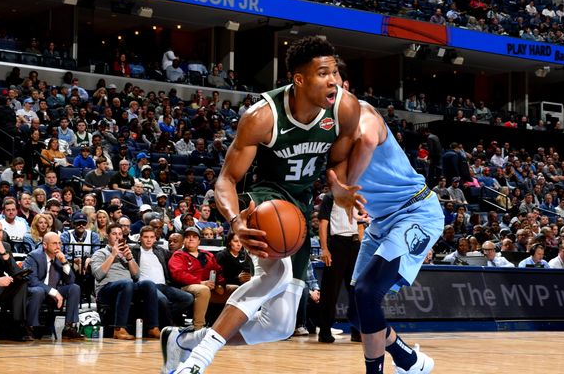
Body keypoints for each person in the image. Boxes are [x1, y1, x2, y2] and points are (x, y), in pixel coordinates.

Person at [164, 36, 360, 373]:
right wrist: (234, 221)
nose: (334, 80)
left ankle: (185, 341)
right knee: (276, 274)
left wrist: (338, 190)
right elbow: (226, 180)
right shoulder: (262, 116)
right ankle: (198, 361)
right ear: (299, 79)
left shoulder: (345, 108)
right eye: (324, 73)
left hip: (298, 210)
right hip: (264, 201)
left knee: (279, 325)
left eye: (335, 73)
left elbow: (336, 165)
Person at [324, 99, 442, 374]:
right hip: (381, 222)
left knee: (367, 293)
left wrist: (346, 188)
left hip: (415, 211)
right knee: (356, 313)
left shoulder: (364, 112)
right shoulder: (326, 132)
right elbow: (333, 176)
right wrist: (338, 187)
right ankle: (409, 360)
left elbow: (366, 140)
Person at [91, 223, 161, 340]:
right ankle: (119, 329)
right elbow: (98, 275)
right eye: (114, 234)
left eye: (120, 234)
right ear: (108, 236)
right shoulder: (100, 253)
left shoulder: (126, 253)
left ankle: (152, 327)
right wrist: (113, 255)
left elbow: (136, 275)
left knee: (148, 284)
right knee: (127, 284)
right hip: (106, 290)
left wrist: (129, 258)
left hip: (127, 288)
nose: (118, 237)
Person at [168, 227, 237, 330]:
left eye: (194, 237)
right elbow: (178, 274)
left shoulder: (208, 255)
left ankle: (231, 325)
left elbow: (218, 271)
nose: (191, 239)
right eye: (188, 237)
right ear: (184, 241)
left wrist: (220, 284)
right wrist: (200, 282)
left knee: (235, 289)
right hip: (186, 287)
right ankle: (198, 327)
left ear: (199, 241)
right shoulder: (178, 255)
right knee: (203, 290)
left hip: (209, 286)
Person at [317, 193, 362, 343]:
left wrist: (362, 250)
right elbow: (323, 224)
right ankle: (324, 331)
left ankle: (357, 331)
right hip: (336, 245)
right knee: (330, 291)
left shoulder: (357, 198)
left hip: (355, 245)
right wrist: (324, 248)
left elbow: (361, 225)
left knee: (357, 291)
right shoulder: (330, 198)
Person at [23, 232, 85, 340]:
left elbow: (71, 280)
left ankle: (68, 327)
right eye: (54, 243)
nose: (58, 246)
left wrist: (64, 262)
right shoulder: (34, 256)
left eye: (59, 243)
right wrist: (54, 292)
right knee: (38, 291)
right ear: (45, 245)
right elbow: (32, 281)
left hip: (53, 291)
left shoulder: (59, 257)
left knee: (75, 288)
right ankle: (30, 328)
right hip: (36, 290)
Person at [133, 223, 194, 327]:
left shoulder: (159, 250)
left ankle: (163, 320)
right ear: (140, 238)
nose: (149, 240)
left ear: (155, 238)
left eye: (151, 237)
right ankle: (169, 326)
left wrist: (187, 247)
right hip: (147, 287)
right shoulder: (134, 251)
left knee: (188, 298)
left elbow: (176, 256)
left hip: (164, 285)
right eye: (146, 237)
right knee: (163, 300)